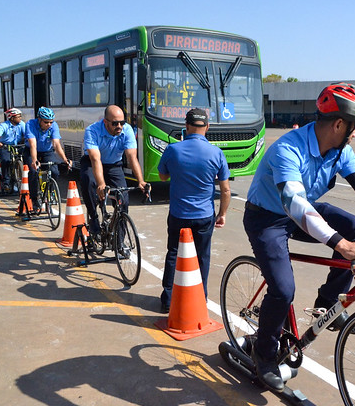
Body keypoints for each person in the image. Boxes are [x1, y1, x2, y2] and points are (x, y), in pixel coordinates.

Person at [243, 82, 355, 391]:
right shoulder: (288, 149)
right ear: (338, 124)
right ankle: (264, 354)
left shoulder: (340, 150)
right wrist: (341, 245)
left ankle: (326, 304)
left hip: (303, 208)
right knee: (283, 290)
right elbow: (294, 203)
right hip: (267, 218)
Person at [157, 108, 231, 313]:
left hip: (179, 215)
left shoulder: (173, 150)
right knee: (202, 257)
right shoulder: (216, 153)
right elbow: (225, 190)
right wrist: (222, 214)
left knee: (173, 253)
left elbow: (162, 177)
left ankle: (168, 300)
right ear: (206, 127)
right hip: (204, 216)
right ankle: (200, 298)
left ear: (186, 127)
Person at [80, 105, 147, 239]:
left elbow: (132, 157)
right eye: (115, 123)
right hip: (92, 162)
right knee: (88, 182)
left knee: (123, 198)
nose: (119, 126)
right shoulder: (92, 131)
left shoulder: (127, 131)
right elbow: (95, 159)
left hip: (114, 165)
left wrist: (141, 181)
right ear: (105, 122)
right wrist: (101, 184)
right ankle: (93, 218)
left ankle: (120, 240)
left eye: (122, 122)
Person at [24, 107, 72, 209]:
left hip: (47, 151)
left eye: (51, 122)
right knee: (33, 171)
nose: (49, 125)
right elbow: (33, 144)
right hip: (32, 150)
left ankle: (50, 192)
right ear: (39, 119)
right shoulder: (30, 124)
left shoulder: (53, 126)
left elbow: (56, 144)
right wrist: (34, 160)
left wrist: (65, 159)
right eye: (46, 122)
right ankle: (34, 199)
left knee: (54, 171)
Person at [0, 108, 26, 193]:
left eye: (20, 116)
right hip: (6, 146)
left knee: (27, 157)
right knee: (6, 161)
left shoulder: (22, 124)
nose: (20, 118)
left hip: (18, 145)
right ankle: (6, 183)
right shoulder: (4, 125)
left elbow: (27, 134)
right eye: (18, 117)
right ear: (12, 118)